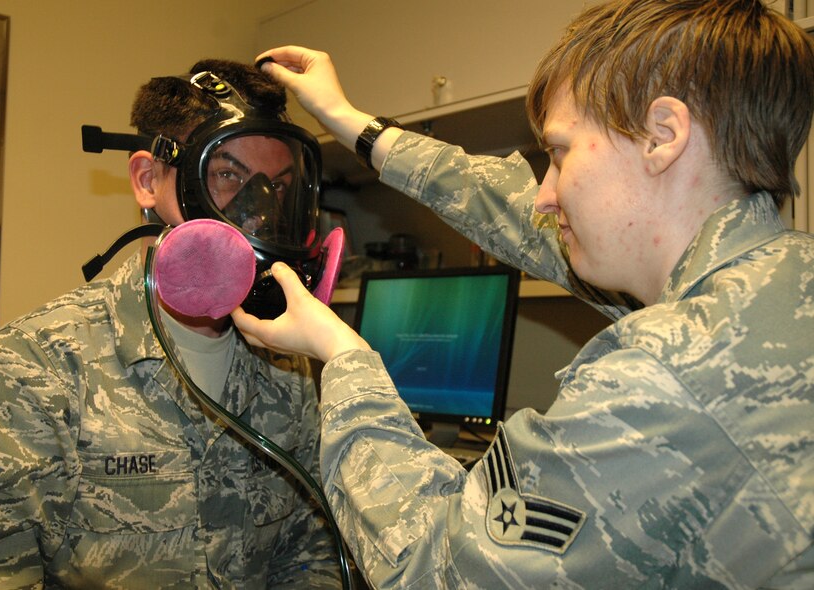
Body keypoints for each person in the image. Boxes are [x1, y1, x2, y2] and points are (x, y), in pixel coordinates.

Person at [235, 1, 814, 588]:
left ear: (663, 136)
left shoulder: (663, 372)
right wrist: (353, 123)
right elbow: (508, 211)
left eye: (558, 154)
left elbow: (438, 569)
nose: (544, 195)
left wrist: (342, 357)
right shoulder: (779, 281)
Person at [0, 59, 341, 588]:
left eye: (277, 188)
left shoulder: (289, 366)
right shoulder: (29, 374)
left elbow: (309, 555)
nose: (258, 213)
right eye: (228, 176)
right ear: (148, 180)